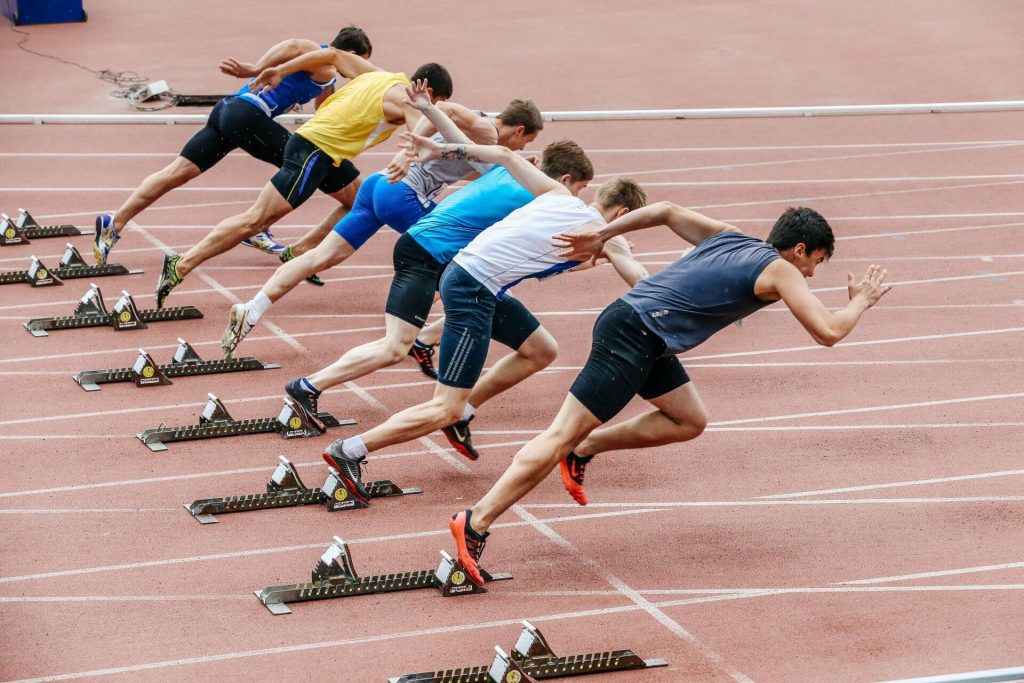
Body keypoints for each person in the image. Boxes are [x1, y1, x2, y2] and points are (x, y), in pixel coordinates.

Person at [443, 200, 893, 584]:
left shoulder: (731, 237)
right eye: (817, 262)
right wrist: (861, 301)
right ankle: (476, 521)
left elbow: (664, 210)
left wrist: (603, 233)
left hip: (640, 330)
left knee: (688, 419)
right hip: (634, 335)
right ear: (800, 250)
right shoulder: (781, 270)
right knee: (557, 433)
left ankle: (584, 448)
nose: (812, 274)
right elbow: (828, 332)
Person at [319, 133, 649, 505]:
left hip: (471, 275)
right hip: (474, 288)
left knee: (541, 350)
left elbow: (504, 154)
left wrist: (440, 150)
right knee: (444, 406)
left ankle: (466, 409)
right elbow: (640, 280)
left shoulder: (556, 195)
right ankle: (351, 450)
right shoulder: (609, 235)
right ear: (623, 215)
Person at [219, 81, 544, 359]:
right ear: (518, 129)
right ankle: (417, 335)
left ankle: (253, 308)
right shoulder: (487, 130)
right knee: (460, 264)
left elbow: (472, 166)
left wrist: (518, 166)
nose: (523, 147)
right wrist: (407, 151)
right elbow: (451, 111)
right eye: (526, 141)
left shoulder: (488, 147)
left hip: (378, 187)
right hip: (403, 193)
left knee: (322, 257)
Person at [151, 48, 454, 308]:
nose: (435, 110)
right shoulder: (409, 99)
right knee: (254, 220)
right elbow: (420, 132)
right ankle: (183, 263)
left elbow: (332, 55)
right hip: (314, 152)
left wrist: (279, 70)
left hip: (322, 151)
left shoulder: (379, 74)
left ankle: (298, 253)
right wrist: (413, 155)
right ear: (428, 92)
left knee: (360, 200)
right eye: (437, 103)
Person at [93, 27, 372, 266]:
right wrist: (255, 68)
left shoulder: (328, 78)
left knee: (178, 171)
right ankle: (257, 227)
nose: (359, 73)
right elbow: (293, 45)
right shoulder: (322, 59)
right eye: (362, 64)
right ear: (352, 55)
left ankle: (114, 222)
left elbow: (323, 110)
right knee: (300, 165)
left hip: (228, 111)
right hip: (247, 116)